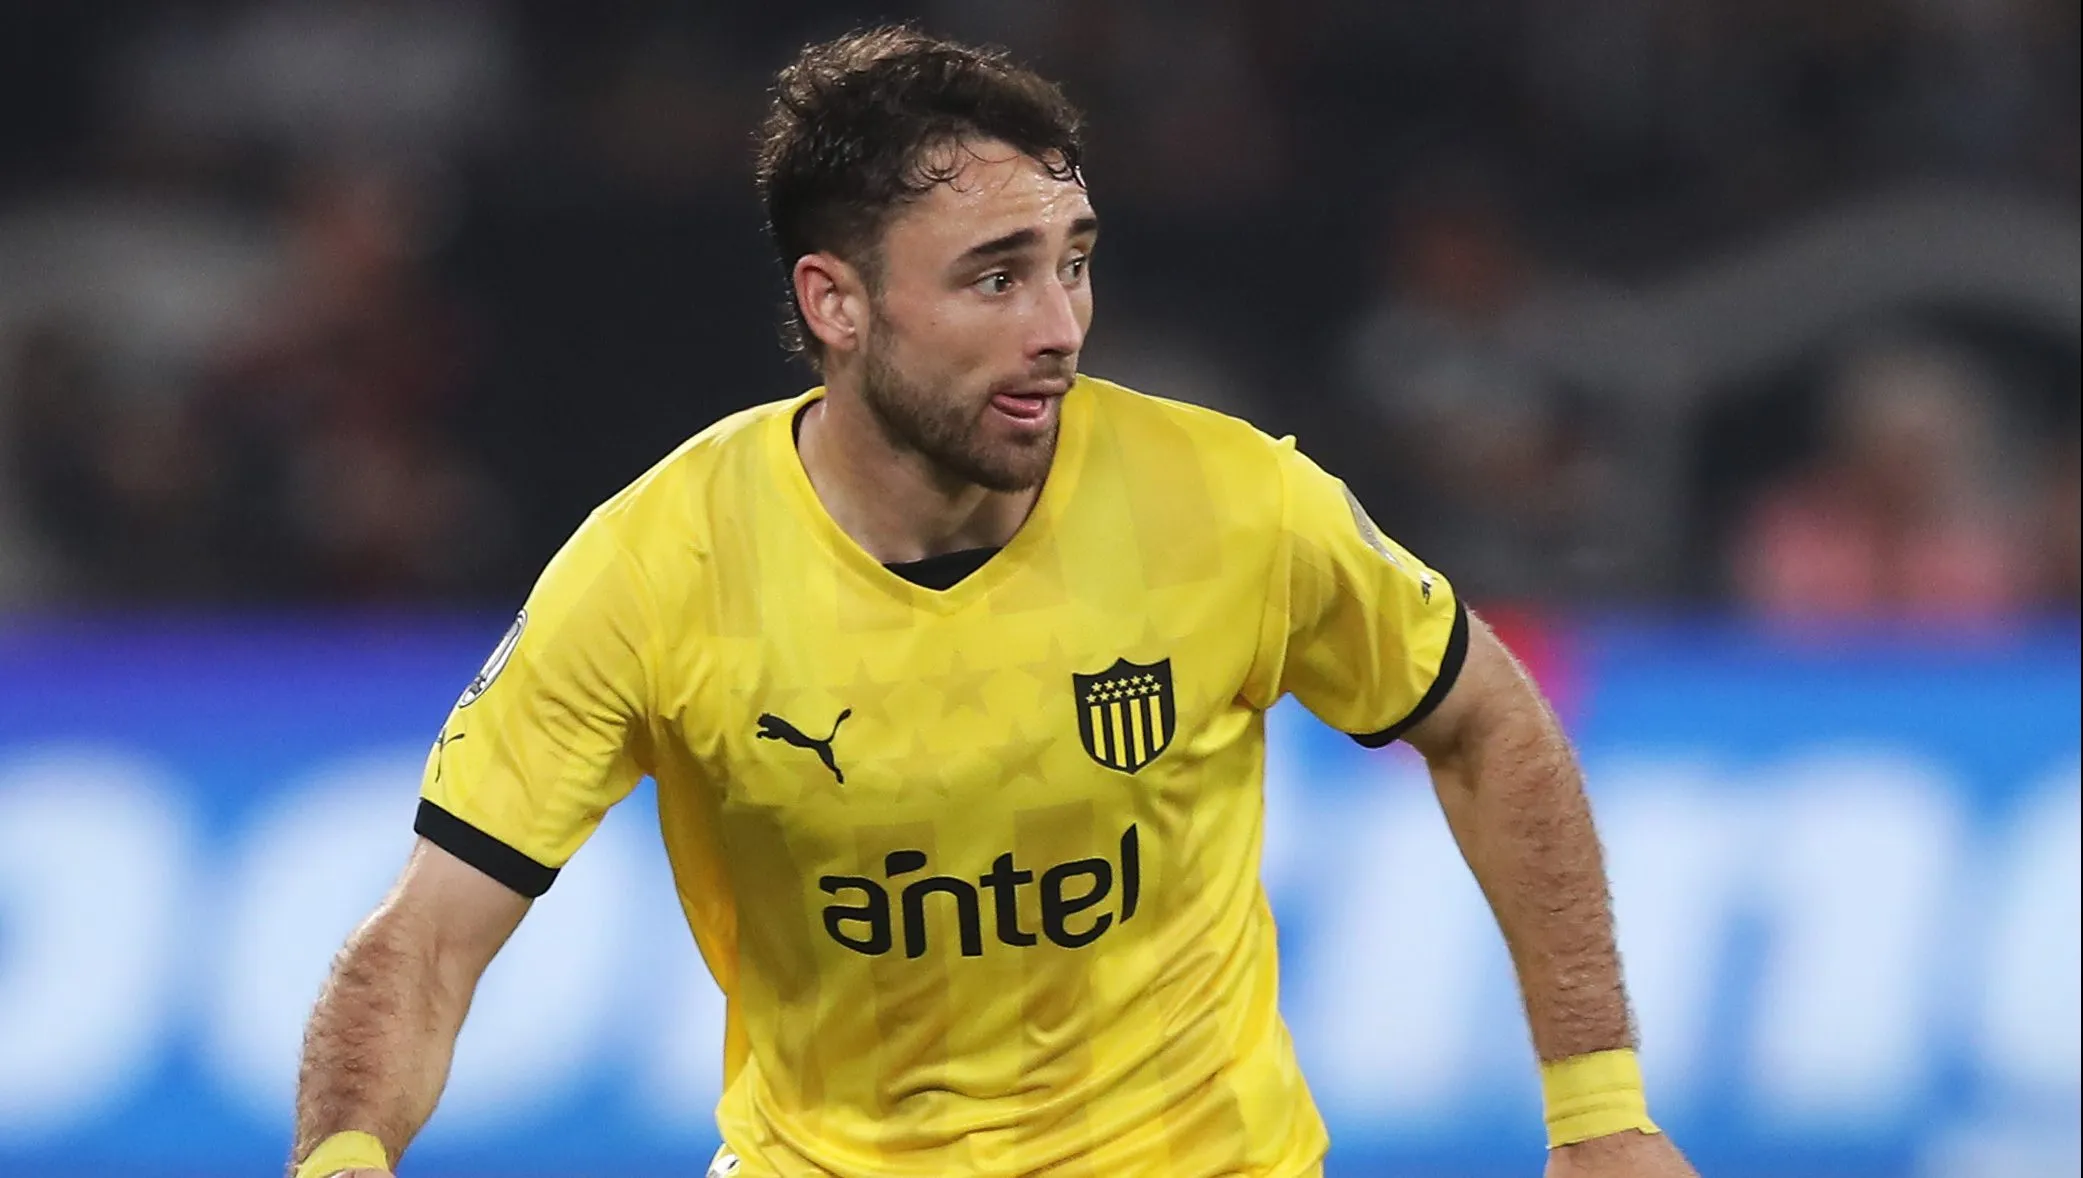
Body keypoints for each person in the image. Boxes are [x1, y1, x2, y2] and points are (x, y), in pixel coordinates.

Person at [288, 27, 1695, 1178]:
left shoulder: (1231, 504)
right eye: (996, 277)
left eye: (1073, 259)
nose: (1059, 326)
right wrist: (343, 1160)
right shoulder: (658, 567)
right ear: (836, 304)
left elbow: (1486, 720)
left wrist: (1600, 1111)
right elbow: (429, 934)